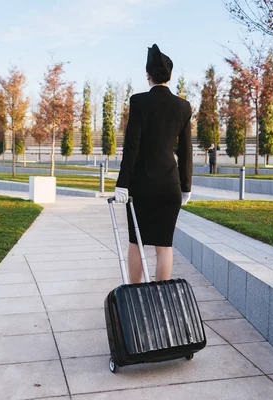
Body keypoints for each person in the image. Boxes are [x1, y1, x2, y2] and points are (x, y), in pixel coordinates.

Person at [114, 44, 193, 284]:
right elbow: (186, 150)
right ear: (169, 76)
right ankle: (159, 301)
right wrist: (186, 186)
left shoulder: (138, 102)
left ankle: (136, 298)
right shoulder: (183, 106)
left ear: (148, 75)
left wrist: (122, 183)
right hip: (170, 185)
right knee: (164, 246)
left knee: (136, 242)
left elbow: (132, 146)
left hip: (141, 186)